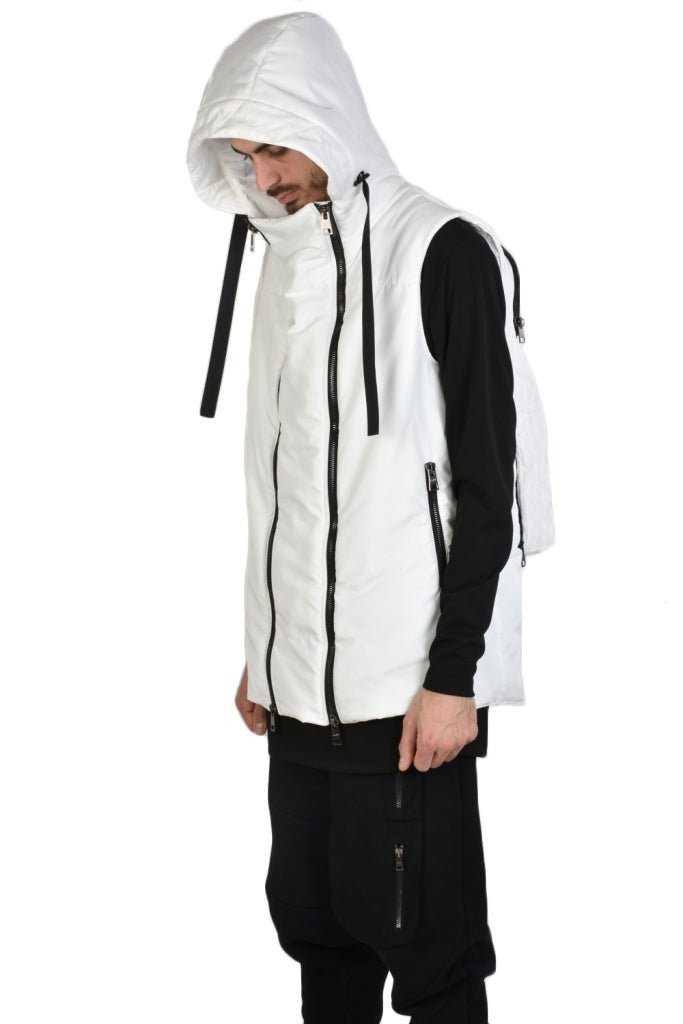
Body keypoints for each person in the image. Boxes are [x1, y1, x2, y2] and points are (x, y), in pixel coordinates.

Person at [187, 11, 554, 1023]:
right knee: (321, 933)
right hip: (297, 697)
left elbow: (492, 486)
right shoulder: (282, 262)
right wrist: (268, 652)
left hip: (409, 698)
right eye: (244, 155)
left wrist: (456, 678)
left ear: (325, 118)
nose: (262, 177)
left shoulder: (439, 251)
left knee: (431, 952)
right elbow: (291, 485)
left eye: (274, 148)